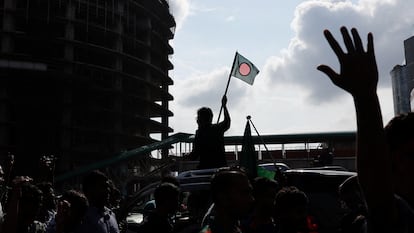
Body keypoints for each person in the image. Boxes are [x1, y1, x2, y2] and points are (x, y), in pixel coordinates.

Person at [317, 26, 414, 233]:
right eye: (413, 155)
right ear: (391, 164)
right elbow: (377, 186)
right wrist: (365, 97)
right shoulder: (400, 216)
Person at [200, 168, 254, 233]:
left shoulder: (236, 227)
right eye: (244, 193)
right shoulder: (210, 230)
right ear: (223, 197)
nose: (251, 199)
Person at [189, 95, 231, 169]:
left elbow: (194, 155)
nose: (197, 120)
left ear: (200, 120)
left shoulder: (199, 133)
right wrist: (224, 106)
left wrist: (182, 157)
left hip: (205, 168)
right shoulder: (217, 128)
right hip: (221, 167)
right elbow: (227, 122)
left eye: (198, 118)